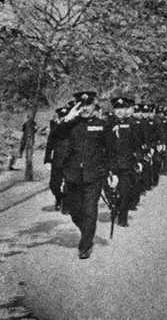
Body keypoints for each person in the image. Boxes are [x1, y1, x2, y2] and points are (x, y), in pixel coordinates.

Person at [53, 91, 115, 259]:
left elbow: (111, 151)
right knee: (74, 212)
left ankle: (85, 245)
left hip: (94, 175)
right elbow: (55, 135)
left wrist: (111, 173)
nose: (85, 108)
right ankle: (87, 231)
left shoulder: (103, 125)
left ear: (95, 105)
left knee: (89, 210)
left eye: (88, 105)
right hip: (72, 175)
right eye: (81, 105)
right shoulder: (71, 124)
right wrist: (68, 118)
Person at [108, 97, 141, 227]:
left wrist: (138, 159)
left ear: (126, 109)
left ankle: (123, 217)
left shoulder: (132, 124)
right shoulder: (107, 124)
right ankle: (114, 206)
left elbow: (137, 143)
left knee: (125, 191)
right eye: (117, 108)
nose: (120, 111)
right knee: (110, 191)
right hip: (111, 164)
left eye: (122, 108)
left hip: (126, 164)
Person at [44, 106, 70, 211]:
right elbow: (49, 145)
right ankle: (59, 198)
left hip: (70, 161)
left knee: (69, 184)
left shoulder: (72, 128)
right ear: (58, 118)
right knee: (53, 185)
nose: (63, 119)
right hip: (57, 161)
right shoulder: (55, 130)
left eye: (65, 117)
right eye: (61, 117)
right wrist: (47, 160)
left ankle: (67, 204)